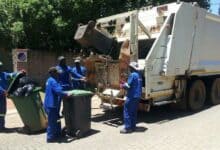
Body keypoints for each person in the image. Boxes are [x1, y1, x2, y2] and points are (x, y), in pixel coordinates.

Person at [44, 67, 69, 143]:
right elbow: (59, 91)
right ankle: (50, 138)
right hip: (52, 105)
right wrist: (67, 94)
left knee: (57, 120)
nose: (59, 74)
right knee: (52, 121)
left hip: (49, 104)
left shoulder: (49, 80)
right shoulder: (53, 81)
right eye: (57, 73)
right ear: (54, 73)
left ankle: (57, 134)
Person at [120, 61, 142, 134]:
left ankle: (127, 128)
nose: (129, 68)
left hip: (131, 96)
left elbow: (128, 86)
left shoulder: (132, 75)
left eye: (130, 67)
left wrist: (122, 85)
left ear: (132, 68)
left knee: (127, 111)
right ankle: (133, 127)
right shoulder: (139, 75)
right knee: (133, 112)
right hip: (137, 96)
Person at [0, 61, 17, 132]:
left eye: (0, 67)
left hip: (2, 97)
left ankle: (1, 127)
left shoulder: (3, 74)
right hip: (2, 94)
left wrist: (19, 72)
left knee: (2, 112)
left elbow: (12, 75)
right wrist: (2, 91)